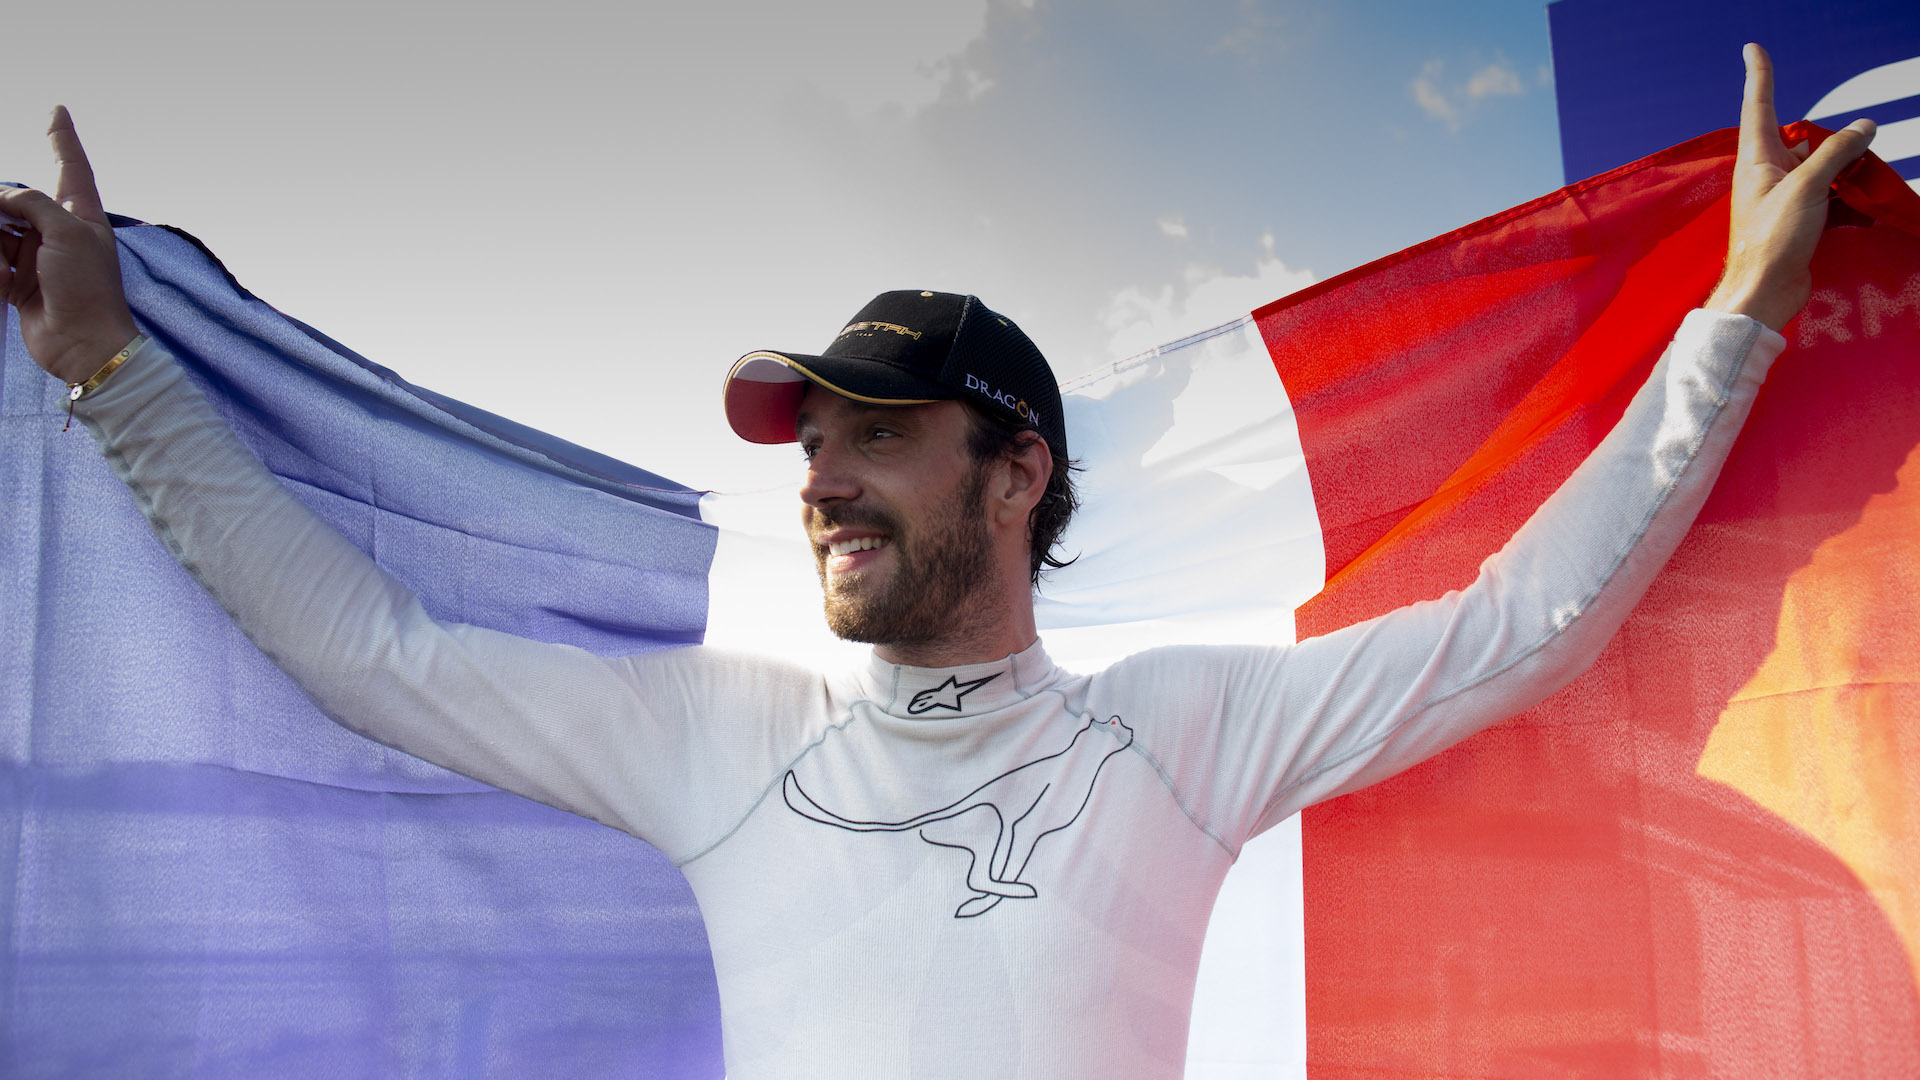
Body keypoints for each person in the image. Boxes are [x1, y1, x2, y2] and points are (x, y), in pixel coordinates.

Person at [0, 44, 1877, 1080]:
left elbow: (1520, 628)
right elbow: (378, 653)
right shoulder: (721, 739)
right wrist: (109, 372)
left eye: (876, 436)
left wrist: (1732, 323)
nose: (823, 479)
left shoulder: (1176, 731)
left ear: (1014, 474)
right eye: (813, 443)